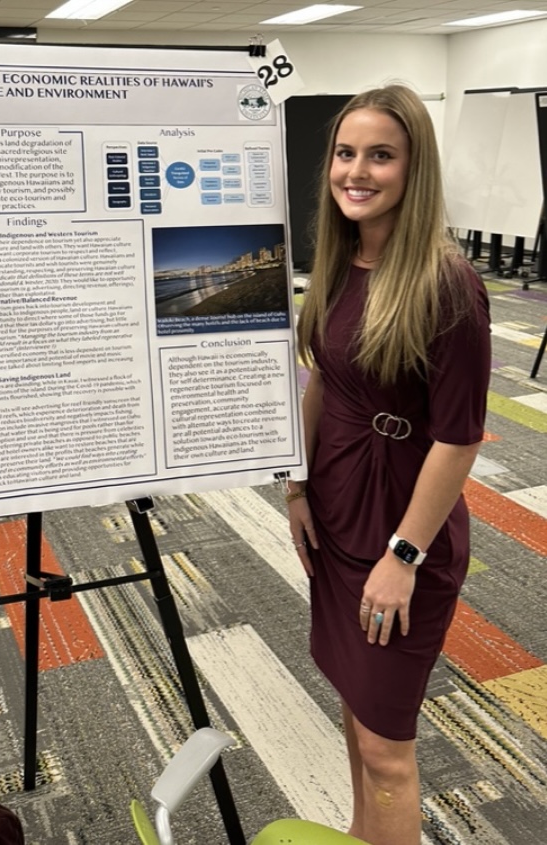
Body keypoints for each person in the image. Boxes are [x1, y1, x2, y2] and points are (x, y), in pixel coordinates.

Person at [285, 84, 491, 845]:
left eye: (381, 155)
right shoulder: (341, 258)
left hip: (402, 521)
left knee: (387, 748)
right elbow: (323, 381)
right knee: (354, 702)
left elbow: (460, 437)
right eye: (346, 153)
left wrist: (404, 555)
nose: (356, 171)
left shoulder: (448, 284)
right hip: (335, 506)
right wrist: (297, 486)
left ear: (414, 168)